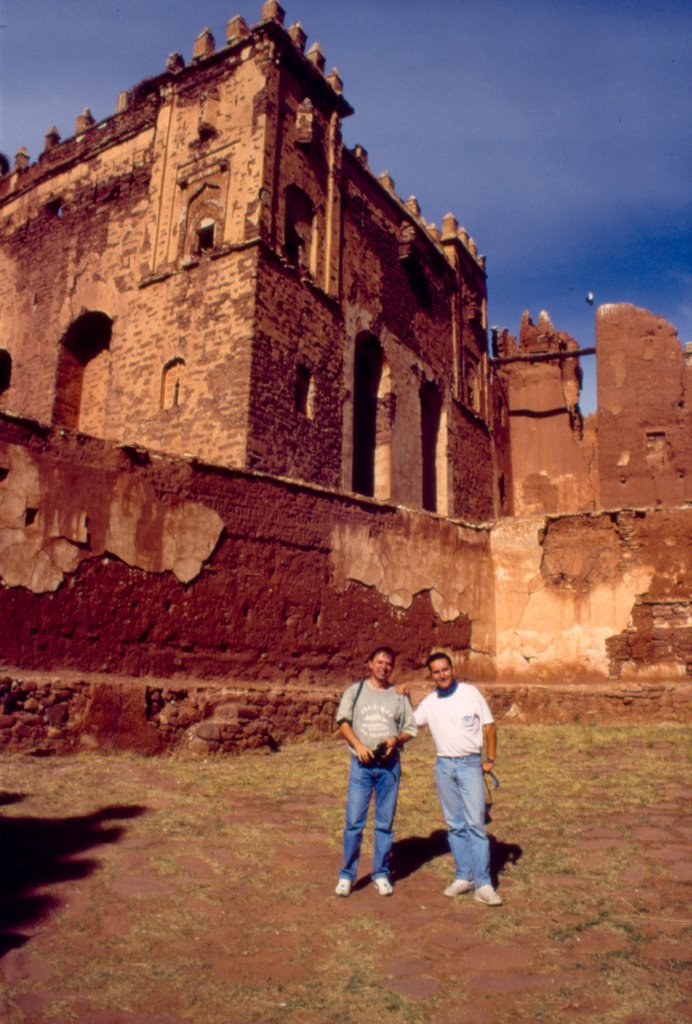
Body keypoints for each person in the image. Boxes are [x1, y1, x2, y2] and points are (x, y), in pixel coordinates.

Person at [413, 651, 502, 906]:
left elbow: (489, 726)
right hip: (444, 766)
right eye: (436, 672)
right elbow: (411, 725)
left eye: (445, 669)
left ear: (452, 669)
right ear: (431, 675)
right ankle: (464, 876)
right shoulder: (430, 702)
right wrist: (400, 699)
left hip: (469, 765)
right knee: (455, 824)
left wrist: (490, 759)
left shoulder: (470, 693)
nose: (442, 675)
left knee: (475, 824)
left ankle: (484, 884)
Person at [334, 646, 417, 897]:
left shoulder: (398, 695)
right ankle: (347, 875)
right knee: (354, 823)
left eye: (388, 664)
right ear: (370, 664)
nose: (384, 667)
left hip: (389, 767)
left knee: (384, 824)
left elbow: (410, 729)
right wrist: (358, 746)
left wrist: (395, 740)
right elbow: (343, 722)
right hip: (362, 765)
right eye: (379, 662)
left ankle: (381, 873)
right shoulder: (355, 691)